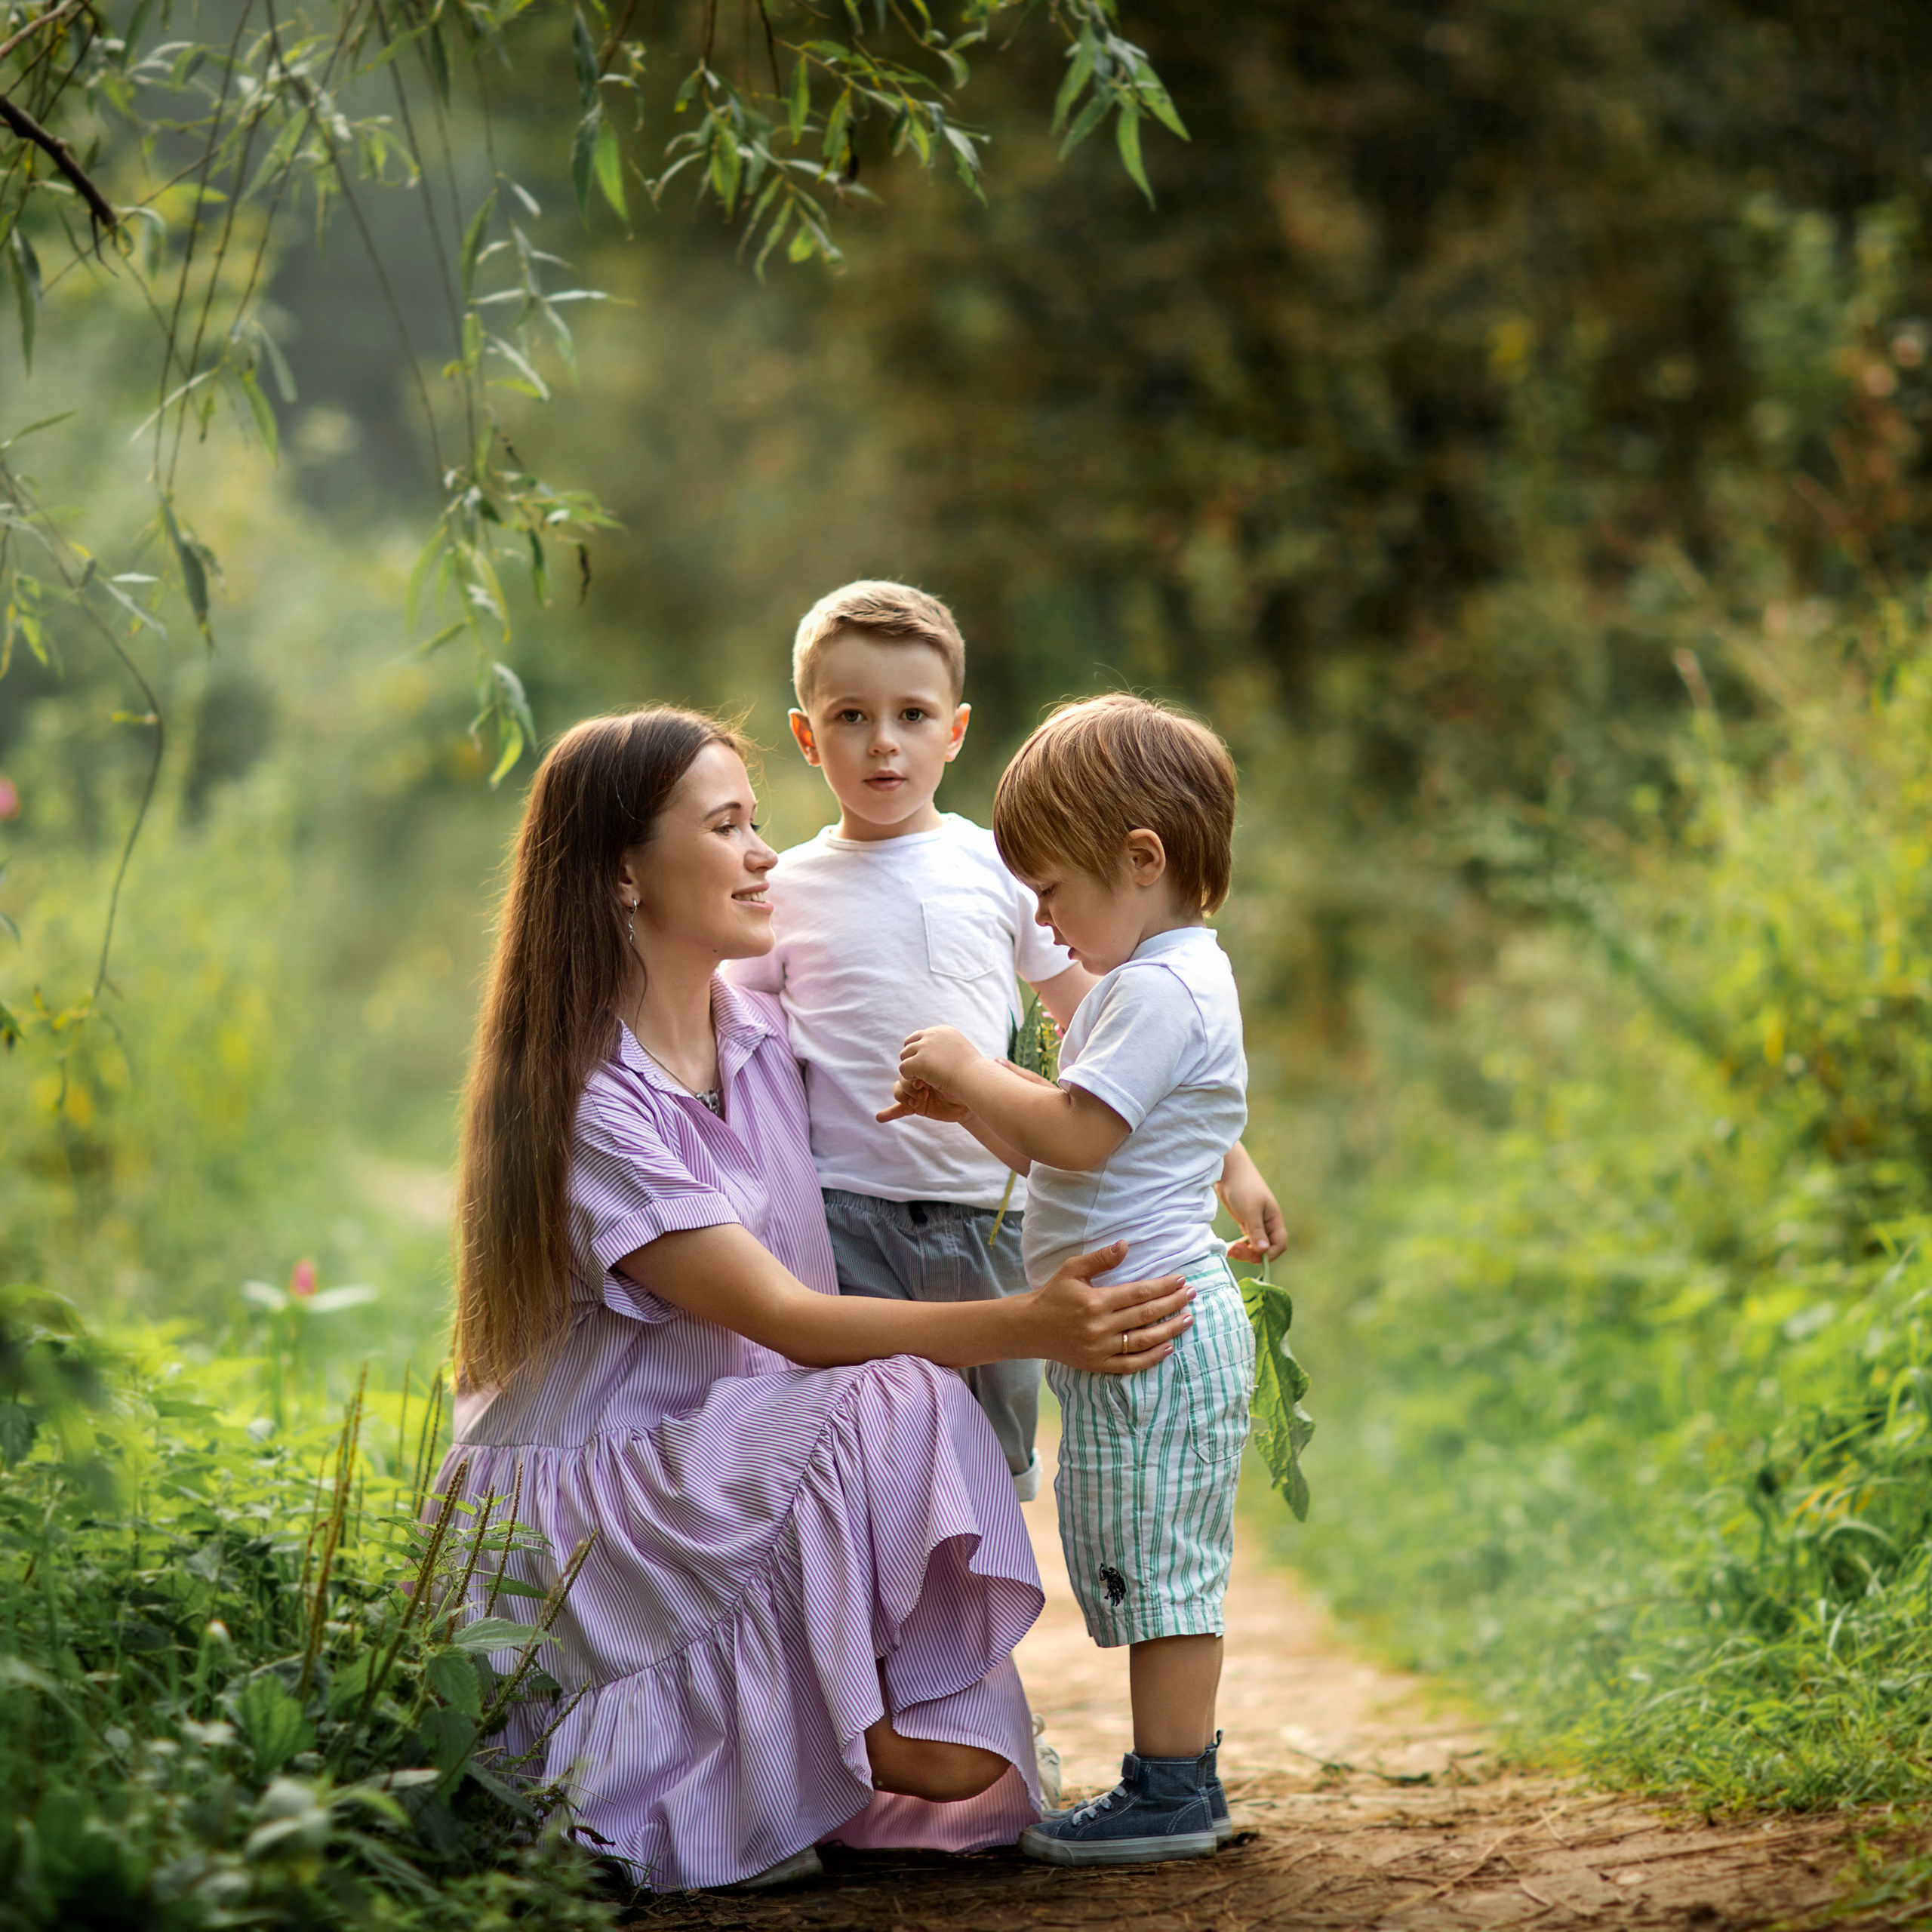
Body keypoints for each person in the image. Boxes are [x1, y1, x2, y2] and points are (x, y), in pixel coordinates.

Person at [437, 706, 1197, 1893]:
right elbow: (786, 1318)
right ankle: (834, 1729)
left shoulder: (760, 1032)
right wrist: (1034, 1324)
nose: (761, 856)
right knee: (891, 1388)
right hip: (588, 1504)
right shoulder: (590, 1097)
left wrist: (1205, 1146)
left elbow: (1014, 1077)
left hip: (723, 1455)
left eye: (760, 822)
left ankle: (833, 1727)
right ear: (623, 874)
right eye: (728, 826)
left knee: (980, 1788)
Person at [724, 581, 1285, 1506]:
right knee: (864, 1457)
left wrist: (1231, 1160)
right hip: (843, 1216)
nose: (882, 743)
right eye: (850, 717)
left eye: (912, 715)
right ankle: (864, 1642)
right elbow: (745, 1060)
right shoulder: (785, 888)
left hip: (991, 1211)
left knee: (985, 1467)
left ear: (954, 729)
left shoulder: (1006, 868)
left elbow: (1111, 1031)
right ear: (805, 734)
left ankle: (984, 1647)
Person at [884, 694, 1257, 1867]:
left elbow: (1080, 1137)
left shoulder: (1157, 989)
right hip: (1125, 1326)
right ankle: (1169, 1780)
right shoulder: (1157, 982)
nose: (1041, 918)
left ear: (1139, 861)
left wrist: (964, 1060)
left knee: (1160, 1563)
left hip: (1149, 1328)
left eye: (1051, 891)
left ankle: (1173, 1789)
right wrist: (979, 1109)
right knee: (1138, 1545)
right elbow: (1064, 1147)